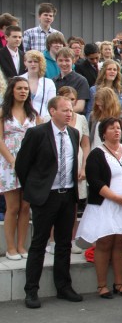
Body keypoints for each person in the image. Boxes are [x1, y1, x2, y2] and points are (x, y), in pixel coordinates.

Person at [17, 96, 82, 309]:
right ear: (52, 111)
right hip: (46, 196)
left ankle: (63, 286)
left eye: (70, 110)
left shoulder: (73, 133)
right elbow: (22, 164)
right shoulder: (37, 133)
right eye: (64, 110)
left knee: (64, 243)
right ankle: (31, 291)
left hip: (67, 195)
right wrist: (35, 188)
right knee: (39, 243)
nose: (68, 113)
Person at [76, 117, 122, 299]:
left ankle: (119, 283)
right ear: (104, 133)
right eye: (112, 128)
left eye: (118, 128)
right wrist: (115, 197)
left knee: (120, 243)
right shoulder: (97, 153)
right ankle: (102, 285)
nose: (117, 131)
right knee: (104, 243)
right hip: (105, 203)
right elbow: (95, 180)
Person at [0, 78, 39, 260]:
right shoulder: (3, 113)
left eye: (25, 88)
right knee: (13, 207)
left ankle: (22, 245)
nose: (23, 91)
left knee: (25, 206)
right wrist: (13, 161)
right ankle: (10, 247)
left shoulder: (33, 114)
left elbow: (40, 138)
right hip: (10, 162)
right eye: (19, 88)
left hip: (30, 163)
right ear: (12, 91)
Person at [22, 50, 57, 121]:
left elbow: (51, 104)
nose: (33, 64)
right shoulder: (17, 80)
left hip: (43, 120)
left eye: (36, 61)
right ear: (25, 62)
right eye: (30, 61)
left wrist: (45, 119)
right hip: (22, 120)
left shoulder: (49, 83)